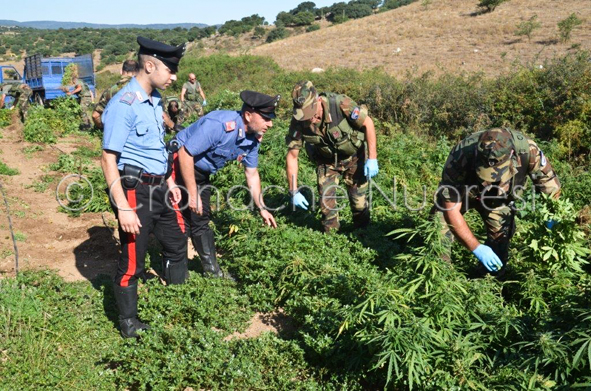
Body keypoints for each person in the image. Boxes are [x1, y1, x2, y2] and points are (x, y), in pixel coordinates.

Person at [101, 36, 187, 338]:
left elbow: (153, 146)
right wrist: (123, 206)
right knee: (133, 261)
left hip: (160, 187)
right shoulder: (124, 104)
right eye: (170, 70)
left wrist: (169, 180)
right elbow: (108, 158)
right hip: (134, 191)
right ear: (149, 65)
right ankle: (128, 322)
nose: (174, 76)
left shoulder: (154, 100)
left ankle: (179, 301)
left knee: (177, 241)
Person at [176, 90, 279, 277]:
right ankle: (177, 271)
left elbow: (252, 174)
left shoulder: (252, 139)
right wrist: (193, 194)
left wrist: (262, 207)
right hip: (177, 165)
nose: (270, 124)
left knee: (200, 218)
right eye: (265, 118)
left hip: (201, 174)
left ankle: (213, 273)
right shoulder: (220, 125)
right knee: (178, 219)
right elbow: (185, 154)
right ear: (248, 115)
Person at [433, 127, 561, 278]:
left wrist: (551, 221)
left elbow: (551, 189)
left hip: (498, 199)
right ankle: (440, 277)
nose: (488, 182)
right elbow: (450, 209)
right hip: (466, 192)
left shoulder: (528, 151)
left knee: (500, 245)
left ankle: (485, 284)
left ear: (512, 155)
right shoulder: (461, 155)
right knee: (437, 229)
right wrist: (477, 248)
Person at [286, 80, 379, 232]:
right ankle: (331, 239)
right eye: (305, 116)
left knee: (359, 204)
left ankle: (363, 235)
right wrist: (293, 191)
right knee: (326, 206)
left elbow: (368, 123)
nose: (310, 120)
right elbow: (292, 156)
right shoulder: (299, 121)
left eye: (311, 113)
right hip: (326, 162)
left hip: (354, 157)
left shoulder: (340, 104)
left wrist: (372, 158)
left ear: (317, 100)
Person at [92, 59, 139, 129]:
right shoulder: (145, 90)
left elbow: (95, 115)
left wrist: (103, 130)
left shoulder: (111, 91)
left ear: (121, 72)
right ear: (138, 72)